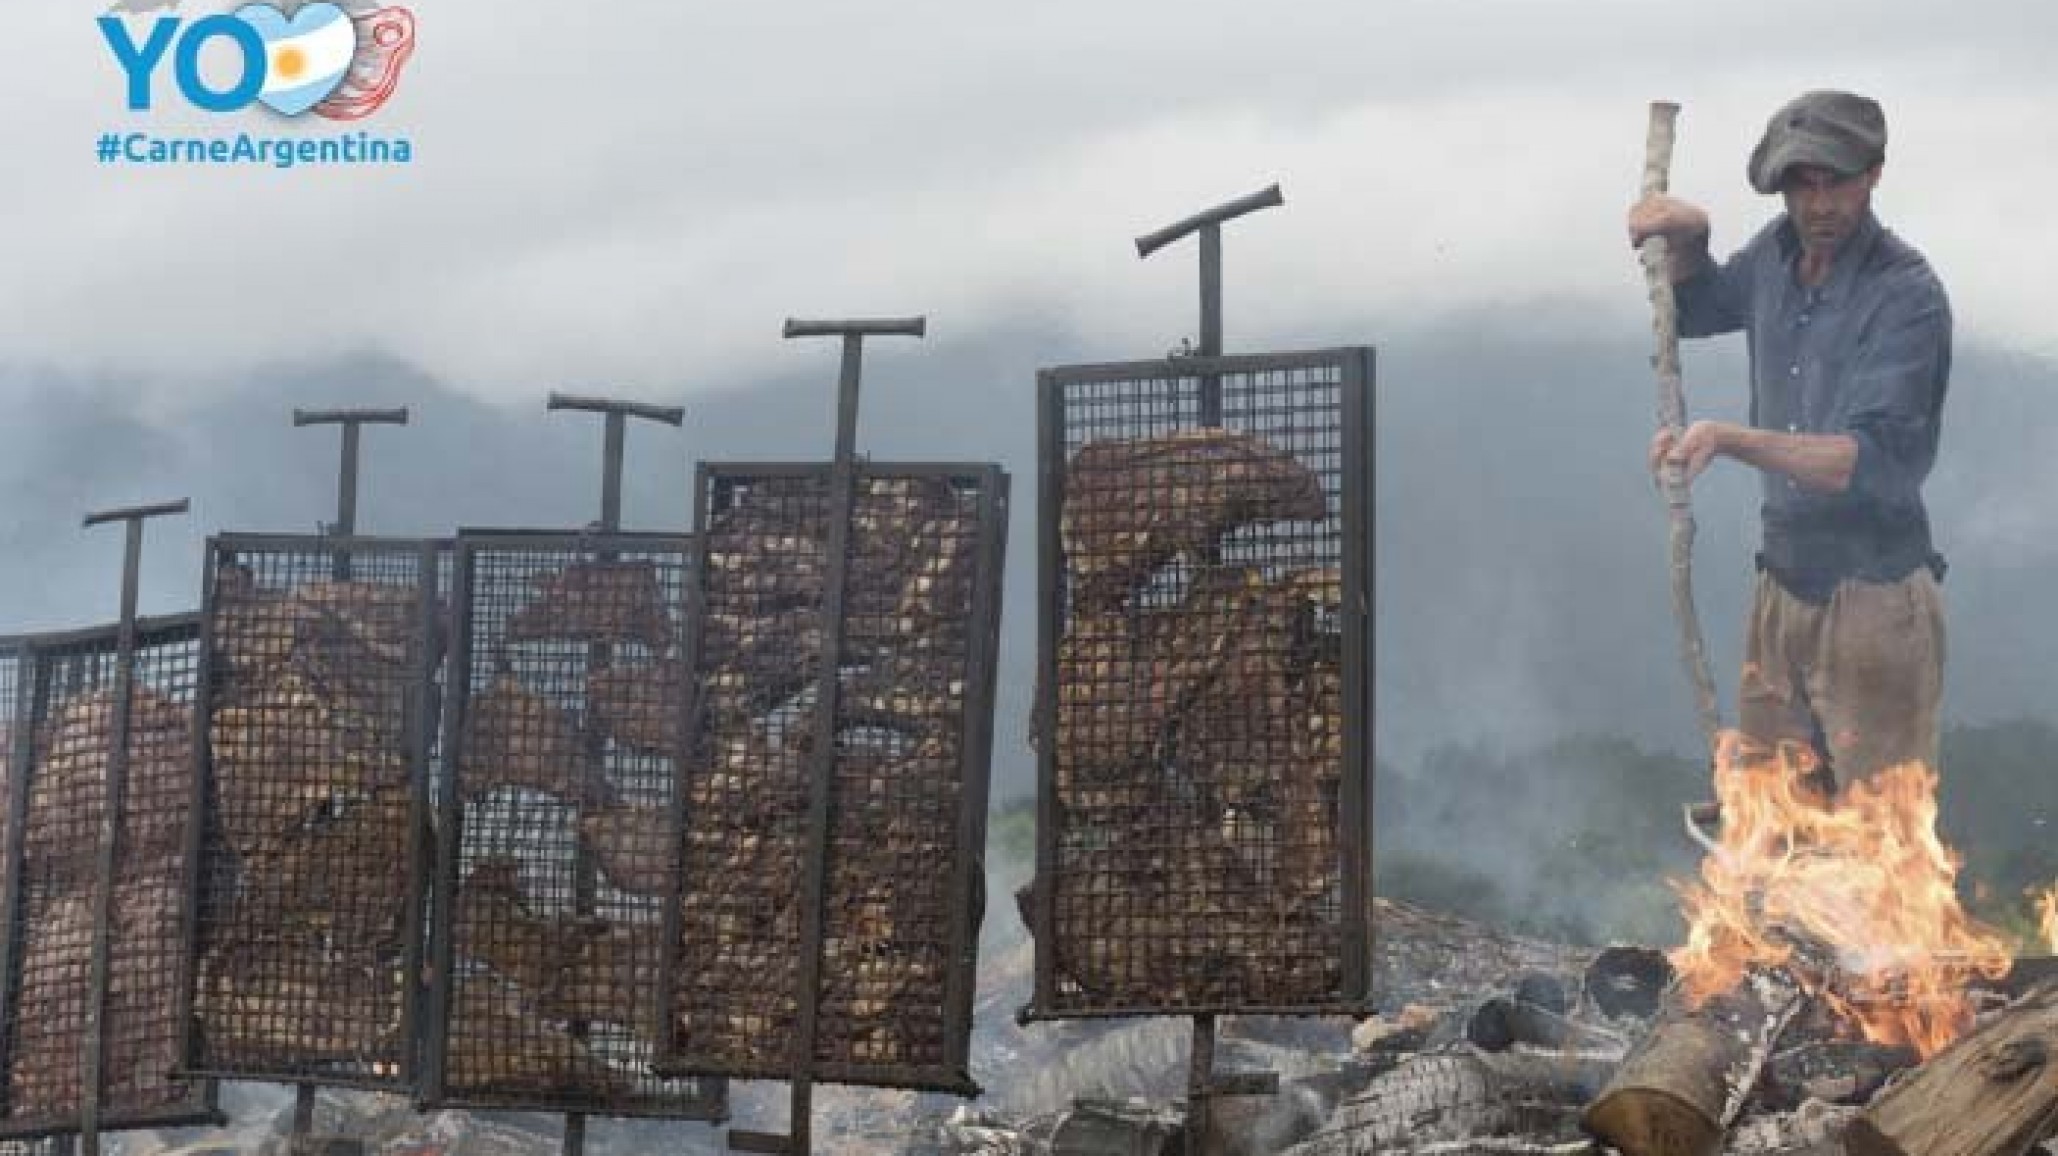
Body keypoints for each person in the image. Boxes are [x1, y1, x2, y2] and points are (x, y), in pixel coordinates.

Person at [1626, 90, 1952, 788]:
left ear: (1873, 174)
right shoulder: (1776, 256)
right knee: (1772, 814)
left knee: (1875, 825)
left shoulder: (1905, 295)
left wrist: (1727, 439)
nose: (1820, 205)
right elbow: (1696, 308)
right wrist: (1692, 239)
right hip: (1782, 584)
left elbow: (1864, 462)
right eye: (1803, 185)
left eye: (1837, 182)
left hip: (1875, 599)